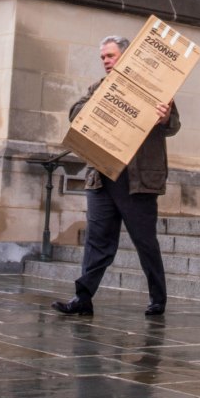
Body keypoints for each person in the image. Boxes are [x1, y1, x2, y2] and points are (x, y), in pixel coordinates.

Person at [52, 35, 180, 317]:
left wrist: (164, 117)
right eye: (103, 58)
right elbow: (75, 113)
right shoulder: (98, 87)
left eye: (110, 56)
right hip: (101, 177)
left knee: (145, 242)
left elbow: (172, 126)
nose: (106, 61)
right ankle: (82, 298)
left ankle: (158, 299)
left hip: (138, 181)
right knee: (97, 241)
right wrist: (103, 98)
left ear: (127, 55)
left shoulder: (153, 88)